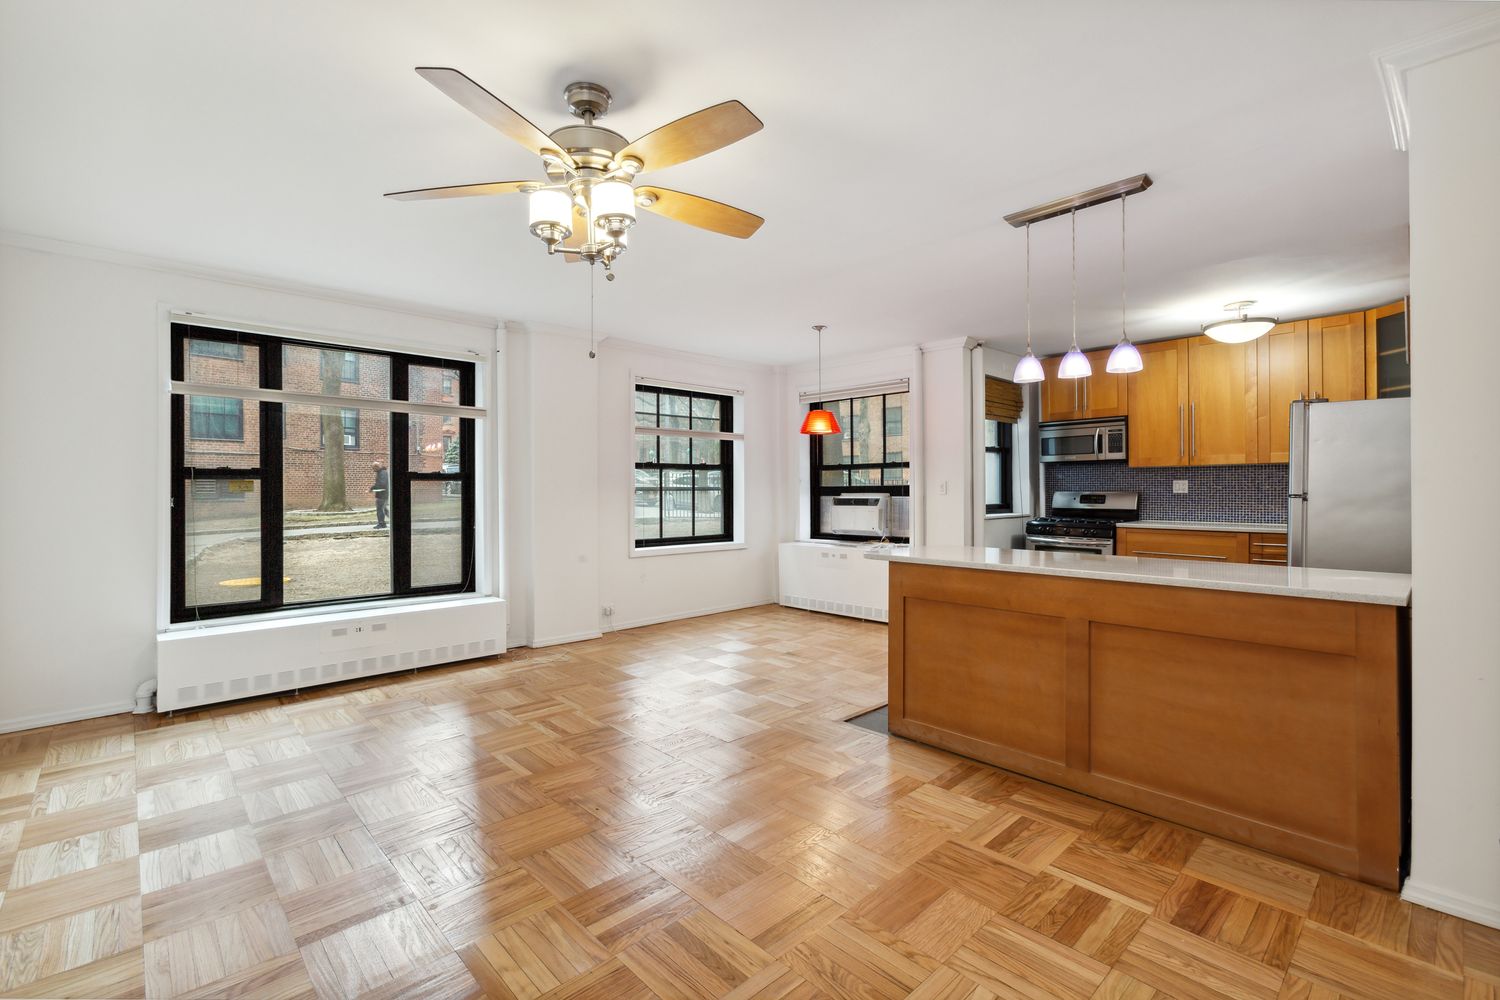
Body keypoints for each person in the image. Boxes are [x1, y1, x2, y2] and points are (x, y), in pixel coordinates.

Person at [370, 460, 389, 529]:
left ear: (376, 467)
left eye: (373, 468)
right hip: (382, 494)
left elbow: (382, 484)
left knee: (380, 509)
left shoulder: (382, 473)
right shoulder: (380, 472)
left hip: (382, 495)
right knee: (384, 509)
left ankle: (381, 523)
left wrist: (372, 488)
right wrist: (372, 488)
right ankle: (384, 523)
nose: (373, 470)